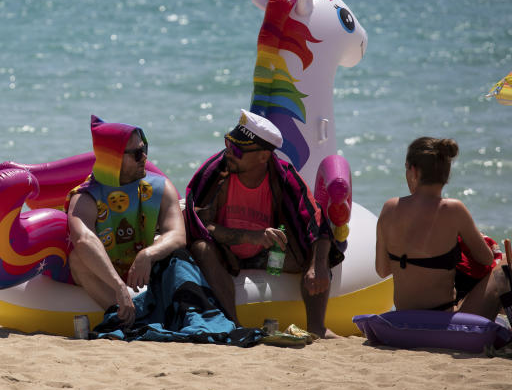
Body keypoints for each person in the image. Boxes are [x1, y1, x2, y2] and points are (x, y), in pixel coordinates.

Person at [184, 110, 343, 337]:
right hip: (226, 252)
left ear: (263, 156)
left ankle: (317, 326)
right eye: (229, 143)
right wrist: (250, 236)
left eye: (238, 149)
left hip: (269, 255)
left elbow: (316, 220)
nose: (229, 152)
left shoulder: (284, 178)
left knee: (317, 251)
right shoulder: (217, 172)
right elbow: (199, 224)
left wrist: (316, 266)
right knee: (201, 247)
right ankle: (234, 325)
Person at [66, 115, 186, 327]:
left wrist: (148, 254)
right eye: (138, 153)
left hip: (143, 271)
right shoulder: (86, 197)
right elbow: (83, 240)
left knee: (177, 253)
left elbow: (177, 234)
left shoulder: (159, 187)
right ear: (115, 158)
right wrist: (118, 286)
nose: (145, 158)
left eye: (145, 149)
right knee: (77, 259)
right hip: (106, 277)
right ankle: (130, 317)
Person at [375, 137, 509, 318]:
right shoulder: (454, 209)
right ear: (446, 176)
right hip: (442, 319)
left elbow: (382, 270)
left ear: (414, 171)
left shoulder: (389, 208)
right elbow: (486, 259)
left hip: (404, 317)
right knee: (506, 263)